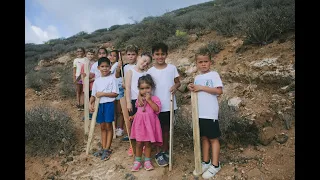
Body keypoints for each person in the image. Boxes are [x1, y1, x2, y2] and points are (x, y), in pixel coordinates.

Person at [140, 42, 181, 167]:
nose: (160, 56)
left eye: (162, 54)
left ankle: (165, 150)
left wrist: (175, 86)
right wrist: (141, 97)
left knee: (166, 129)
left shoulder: (172, 68)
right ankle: (158, 153)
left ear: (166, 55)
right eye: (157, 54)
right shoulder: (150, 71)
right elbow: (144, 87)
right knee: (156, 130)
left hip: (169, 104)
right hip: (155, 106)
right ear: (153, 55)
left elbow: (178, 83)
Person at [187, 47, 223, 179]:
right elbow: (197, 91)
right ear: (196, 63)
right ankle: (206, 162)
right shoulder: (197, 77)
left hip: (210, 113)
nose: (203, 64)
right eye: (200, 62)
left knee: (213, 138)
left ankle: (215, 164)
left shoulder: (214, 75)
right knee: (204, 138)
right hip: (199, 113)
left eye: (206, 61)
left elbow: (219, 91)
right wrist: (193, 87)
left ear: (210, 62)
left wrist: (201, 87)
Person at [130, 74, 163, 172]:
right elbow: (139, 111)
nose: (145, 91)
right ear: (139, 89)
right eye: (142, 88)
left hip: (149, 125)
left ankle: (147, 161)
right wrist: (133, 116)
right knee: (139, 143)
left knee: (148, 143)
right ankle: (137, 161)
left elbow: (157, 110)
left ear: (151, 88)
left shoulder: (155, 99)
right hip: (140, 125)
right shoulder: (138, 100)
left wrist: (149, 100)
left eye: (147, 88)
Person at [89, 57, 119, 160]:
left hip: (109, 104)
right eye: (102, 66)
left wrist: (103, 94)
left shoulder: (112, 79)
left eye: (107, 66)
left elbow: (115, 94)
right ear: (98, 68)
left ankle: (107, 149)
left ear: (110, 67)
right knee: (102, 127)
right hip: (99, 105)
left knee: (108, 126)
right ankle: (103, 147)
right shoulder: (97, 80)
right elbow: (93, 95)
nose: (105, 68)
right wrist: (90, 103)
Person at [124, 51, 152, 156]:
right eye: (144, 60)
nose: (145, 64)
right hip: (133, 101)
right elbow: (128, 88)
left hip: (144, 103)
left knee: (143, 125)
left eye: (147, 63)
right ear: (139, 58)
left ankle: (144, 145)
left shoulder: (146, 74)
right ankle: (133, 145)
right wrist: (128, 102)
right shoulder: (130, 71)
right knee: (133, 124)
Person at [108, 49, 125, 137]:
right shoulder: (109, 65)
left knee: (119, 111)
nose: (112, 57)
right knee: (115, 111)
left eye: (114, 56)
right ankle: (116, 128)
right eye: (110, 55)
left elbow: (114, 74)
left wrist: (118, 66)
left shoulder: (116, 65)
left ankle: (120, 128)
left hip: (118, 89)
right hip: (112, 89)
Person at [80, 49, 96, 119]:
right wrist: (88, 81)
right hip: (87, 86)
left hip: (93, 86)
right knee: (87, 100)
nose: (90, 56)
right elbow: (83, 76)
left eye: (91, 54)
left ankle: (92, 113)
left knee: (92, 100)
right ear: (86, 55)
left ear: (94, 55)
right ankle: (86, 114)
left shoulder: (95, 64)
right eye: (88, 54)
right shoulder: (84, 65)